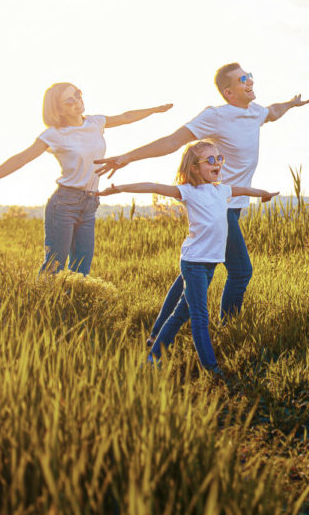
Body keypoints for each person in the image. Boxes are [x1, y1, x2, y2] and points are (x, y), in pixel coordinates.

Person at [95, 62, 309, 338]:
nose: (250, 81)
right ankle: (228, 332)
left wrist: (291, 103)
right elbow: (172, 142)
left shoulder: (255, 112)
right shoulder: (216, 116)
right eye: (243, 79)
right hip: (218, 206)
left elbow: (273, 112)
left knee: (193, 271)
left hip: (232, 204)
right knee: (241, 271)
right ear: (229, 92)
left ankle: (156, 334)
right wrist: (127, 157)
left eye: (250, 76)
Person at [0, 83, 172, 275]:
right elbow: (22, 158)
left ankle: (71, 313)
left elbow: (126, 117)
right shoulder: (53, 134)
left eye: (78, 93)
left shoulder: (95, 122)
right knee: (54, 266)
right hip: (64, 204)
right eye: (69, 100)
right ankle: (42, 314)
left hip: (90, 203)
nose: (77, 101)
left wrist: (154, 110)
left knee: (81, 269)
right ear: (58, 109)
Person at [98, 141, 278, 375]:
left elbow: (243, 190)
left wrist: (262, 194)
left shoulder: (221, 189)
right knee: (200, 316)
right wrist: (120, 188)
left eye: (219, 158)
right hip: (193, 264)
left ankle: (153, 358)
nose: (217, 163)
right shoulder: (188, 191)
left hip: (210, 264)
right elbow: (153, 186)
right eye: (210, 160)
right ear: (194, 168)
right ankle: (212, 369)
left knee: (181, 313)